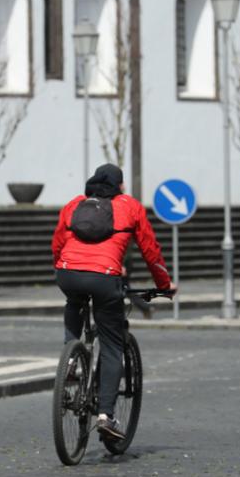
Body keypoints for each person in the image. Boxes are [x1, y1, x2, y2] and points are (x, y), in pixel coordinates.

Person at [51, 164, 173, 440]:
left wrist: (61, 267)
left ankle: (71, 358)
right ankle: (106, 415)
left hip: (68, 273)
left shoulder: (74, 205)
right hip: (105, 278)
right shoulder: (129, 207)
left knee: (74, 301)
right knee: (112, 343)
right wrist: (164, 285)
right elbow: (150, 250)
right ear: (119, 185)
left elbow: (57, 242)